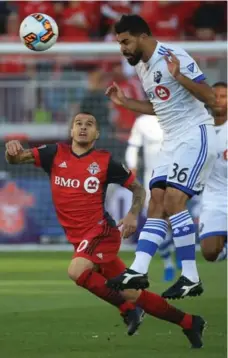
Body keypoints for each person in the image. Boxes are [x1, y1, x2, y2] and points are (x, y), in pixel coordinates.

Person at [5, 112, 205, 348]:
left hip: (101, 233)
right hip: (79, 238)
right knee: (132, 292)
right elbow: (17, 160)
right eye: (78, 123)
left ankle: (128, 310)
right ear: (71, 131)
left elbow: (138, 189)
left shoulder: (105, 162)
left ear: (96, 134)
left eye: (89, 124)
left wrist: (132, 213)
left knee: (77, 271)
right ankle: (189, 321)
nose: (82, 127)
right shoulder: (54, 154)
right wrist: (11, 151)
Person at [105, 14, 217, 299]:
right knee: (156, 201)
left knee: (173, 200)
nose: (123, 48)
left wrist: (179, 75)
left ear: (143, 36)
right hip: (171, 139)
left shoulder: (173, 56)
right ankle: (139, 269)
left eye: (126, 41)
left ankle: (190, 276)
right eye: (120, 43)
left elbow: (211, 97)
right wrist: (125, 102)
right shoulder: (143, 67)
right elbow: (160, 106)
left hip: (194, 134)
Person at [125, 114, 178, 281]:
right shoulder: (143, 121)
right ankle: (169, 263)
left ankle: (178, 256)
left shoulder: (179, 116)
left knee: (172, 222)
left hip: (178, 178)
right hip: (152, 180)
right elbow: (133, 146)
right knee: (157, 223)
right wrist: (132, 167)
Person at [199, 82, 227, 261]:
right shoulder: (201, 128)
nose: (218, 100)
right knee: (210, 254)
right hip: (213, 198)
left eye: (223, 96)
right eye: (214, 96)